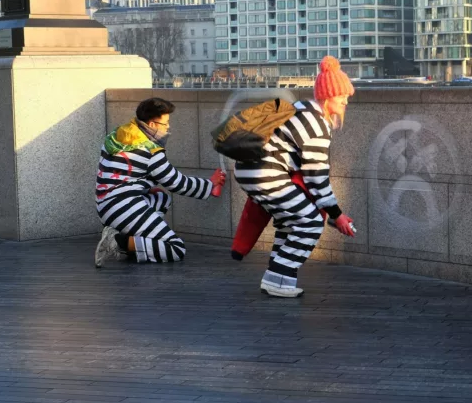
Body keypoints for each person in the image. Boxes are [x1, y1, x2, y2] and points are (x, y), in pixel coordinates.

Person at [233, 56, 356, 298]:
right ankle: (277, 279)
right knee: (309, 223)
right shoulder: (317, 125)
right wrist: (336, 215)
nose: (345, 101)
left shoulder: (300, 109)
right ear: (328, 96)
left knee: (290, 222)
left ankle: (278, 278)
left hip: (250, 170)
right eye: (342, 96)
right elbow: (316, 176)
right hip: (266, 174)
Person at [95, 97, 226, 267]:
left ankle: (131, 244)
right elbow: (176, 182)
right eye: (165, 124)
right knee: (175, 248)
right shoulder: (150, 150)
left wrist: (141, 187)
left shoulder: (116, 136)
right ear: (153, 124)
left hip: (105, 205)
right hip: (124, 208)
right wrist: (209, 185)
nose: (168, 127)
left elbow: (120, 174)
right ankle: (118, 243)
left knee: (161, 198)